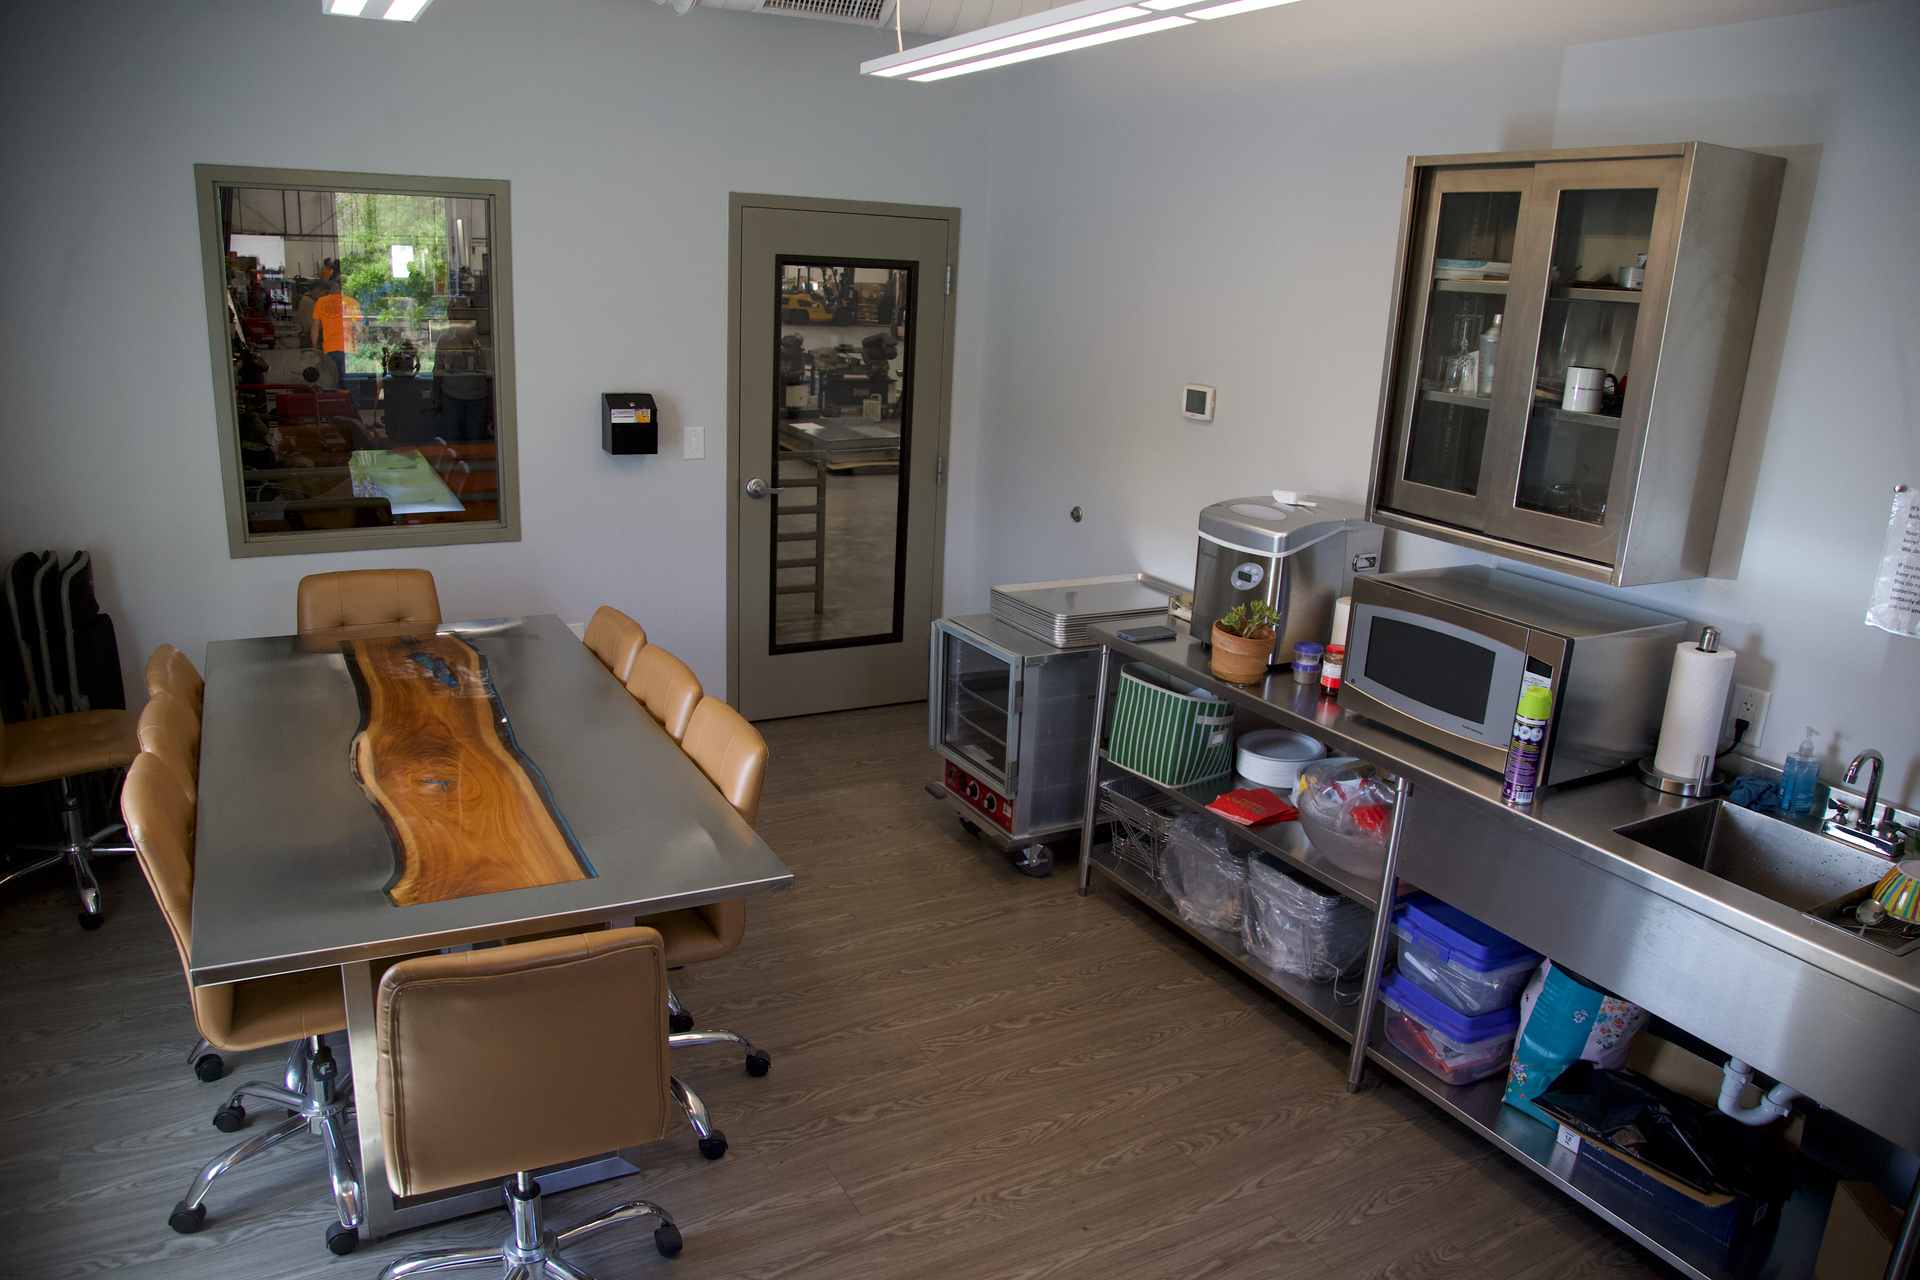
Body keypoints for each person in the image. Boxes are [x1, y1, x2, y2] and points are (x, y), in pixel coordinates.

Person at [432, 321, 491, 441]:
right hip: (451, 396)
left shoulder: (482, 340)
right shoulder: (445, 340)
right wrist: (437, 400)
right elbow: (438, 372)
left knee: (476, 437)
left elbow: (490, 375)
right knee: (452, 437)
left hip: (478, 397)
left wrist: (492, 405)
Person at [309, 280, 362, 392]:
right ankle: (352, 407)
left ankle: (334, 406)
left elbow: (315, 328)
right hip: (349, 350)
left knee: (332, 383)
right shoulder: (352, 302)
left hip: (329, 349)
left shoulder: (321, 302)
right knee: (351, 385)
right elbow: (359, 329)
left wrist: (315, 348)